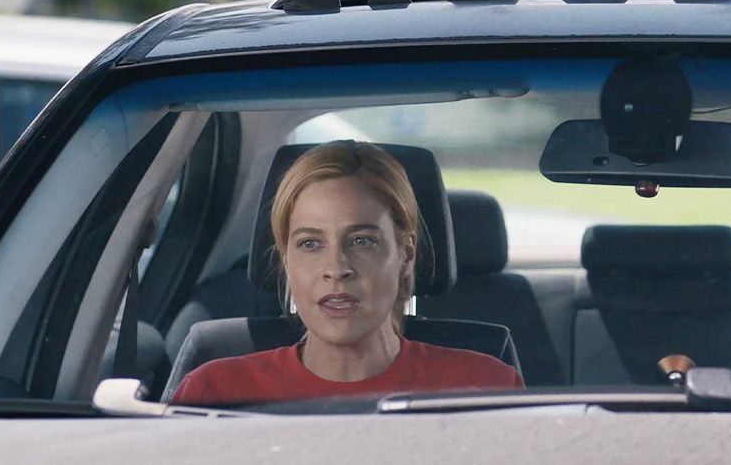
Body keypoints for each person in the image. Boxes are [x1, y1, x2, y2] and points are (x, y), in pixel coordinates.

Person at [171, 141, 523, 405]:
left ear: (406, 255)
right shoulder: (216, 391)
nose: (337, 269)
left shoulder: (483, 385)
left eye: (362, 241)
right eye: (310, 244)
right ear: (285, 261)